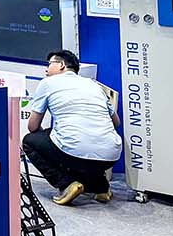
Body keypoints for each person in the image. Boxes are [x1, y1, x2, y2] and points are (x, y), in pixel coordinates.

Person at [23, 50, 122, 206]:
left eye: (50, 64)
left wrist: (51, 140)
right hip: (111, 156)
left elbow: (32, 126)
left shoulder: (47, 83)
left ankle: (67, 184)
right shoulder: (93, 85)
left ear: (62, 65)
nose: (46, 70)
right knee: (81, 146)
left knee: (31, 141)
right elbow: (116, 123)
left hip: (74, 152)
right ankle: (101, 188)